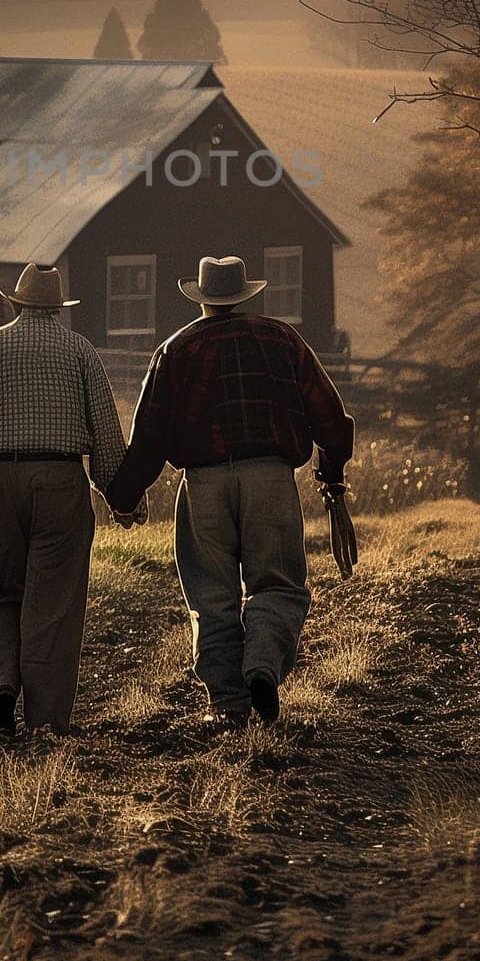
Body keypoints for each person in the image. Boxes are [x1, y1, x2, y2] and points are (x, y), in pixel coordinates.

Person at [106, 255, 353, 726]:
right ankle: (261, 664)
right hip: (271, 479)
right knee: (278, 585)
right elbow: (330, 416)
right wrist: (331, 472)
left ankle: (227, 706)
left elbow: (150, 436)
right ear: (245, 295)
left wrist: (124, 495)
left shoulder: (176, 350)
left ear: (201, 299)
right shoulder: (283, 339)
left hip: (204, 485)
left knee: (211, 597)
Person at [0, 262, 137, 735]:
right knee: (53, 603)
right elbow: (107, 434)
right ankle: (46, 722)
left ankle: (2, 685)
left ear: (15, 303)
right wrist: (121, 497)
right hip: (60, 479)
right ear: (57, 308)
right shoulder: (80, 351)